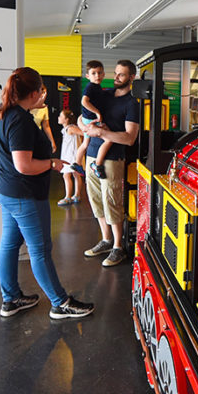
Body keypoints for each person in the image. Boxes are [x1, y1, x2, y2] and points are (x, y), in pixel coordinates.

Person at [0, 66, 94, 320]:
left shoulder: (2, 111)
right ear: (34, 92)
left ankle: (11, 299)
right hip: (23, 194)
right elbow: (24, 165)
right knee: (39, 249)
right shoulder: (20, 121)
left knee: (11, 243)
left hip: (6, 188)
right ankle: (60, 303)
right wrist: (52, 164)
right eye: (42, 92)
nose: (43, 96)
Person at [80, 60, 140, 268]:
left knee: (111, 201)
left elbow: (130, 138)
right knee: (96, 200)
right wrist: (84, 128)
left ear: (131, 77)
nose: (116, 78)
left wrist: (102, 132)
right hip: (92, 155)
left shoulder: (132, 104)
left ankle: (118, 247)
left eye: (121, 75)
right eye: (115, 73)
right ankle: (106, 240)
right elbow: (82, 116)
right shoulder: (103, 94)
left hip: (113, 159)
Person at [74, 60, 105, 176]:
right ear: (87, 76)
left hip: (88, 118)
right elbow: (84, 102)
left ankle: (77, 163)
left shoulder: (97, 87)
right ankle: (96, 164)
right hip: (90, 118)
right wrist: (97, 112)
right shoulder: (90, 87)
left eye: (99, 72)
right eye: (93, 73)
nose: (97, 75)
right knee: (107, 139)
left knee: (86, 143)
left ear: (104, 74)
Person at [56, 108, 83, 206]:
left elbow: (83, 133)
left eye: (61, 116)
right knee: (75, 174)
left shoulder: (70, 128)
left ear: (66, 119)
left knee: (67, 175)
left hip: (71, 156)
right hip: (70, 155)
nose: (58, 118)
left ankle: (69, 196)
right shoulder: (67, 128)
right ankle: (76, 195)